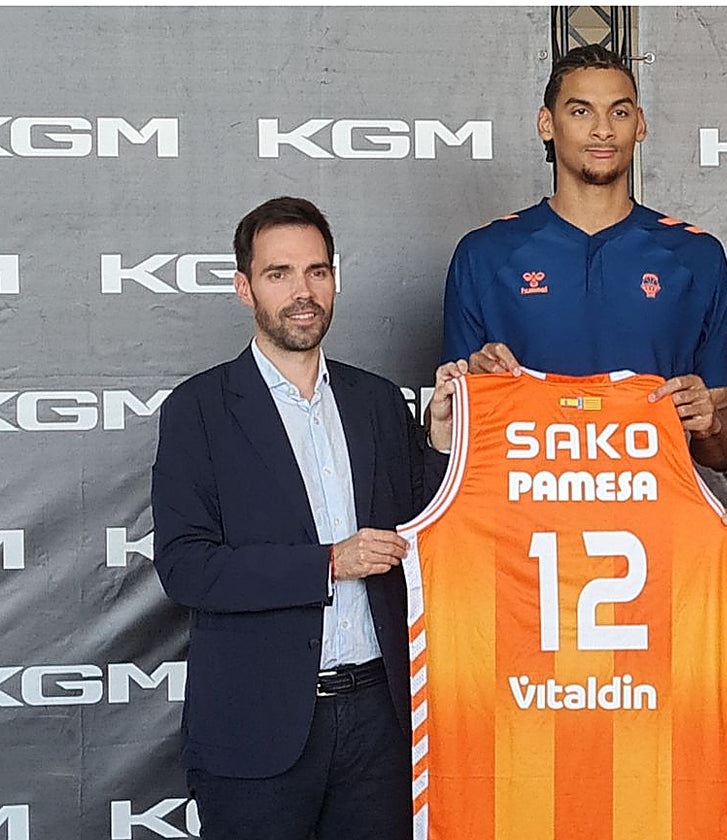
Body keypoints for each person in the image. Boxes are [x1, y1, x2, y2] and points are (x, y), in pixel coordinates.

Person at [150, 196, 464, 840]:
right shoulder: (199, 410)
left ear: (334, 279)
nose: (303, 292)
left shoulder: (377, 400)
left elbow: (422, 533)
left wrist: (437, 443)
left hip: (380, 723)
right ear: (244, 288)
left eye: (317, 272)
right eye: (279, 273)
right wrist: (328, 563)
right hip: (255, 731)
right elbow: (186, 567)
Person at [440, 44, 727, 471]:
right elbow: (447, 434)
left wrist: (710, 423)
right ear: (547, 123)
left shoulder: (695, 256)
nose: (603, 130)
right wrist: (474, 386)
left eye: (619, 113)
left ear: (640, 125)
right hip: (526, 518)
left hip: (650, 521)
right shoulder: (486, 254)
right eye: (581, 112)